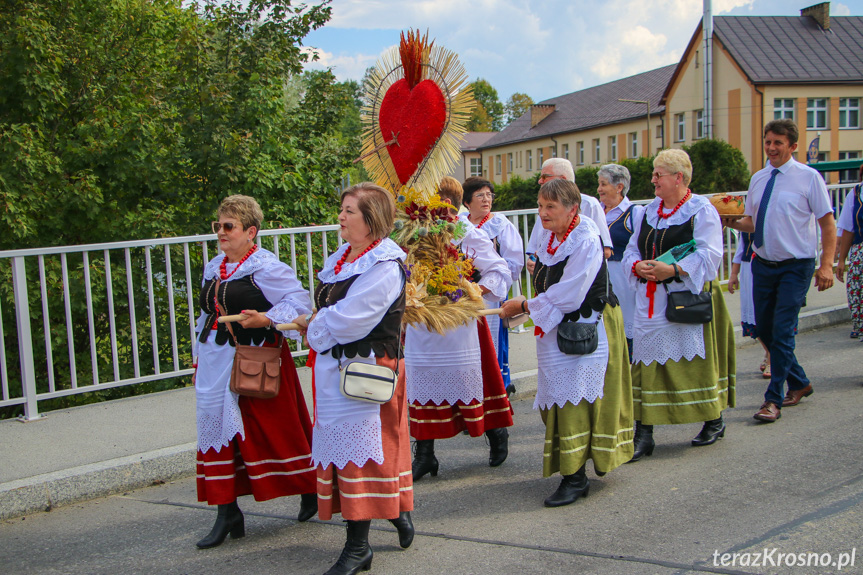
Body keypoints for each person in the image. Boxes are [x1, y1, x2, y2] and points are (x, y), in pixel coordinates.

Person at [295, 183, 413, 575]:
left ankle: (358, 548)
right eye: (342, 209)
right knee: (350, 455)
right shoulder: (343, 258)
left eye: (349, 211)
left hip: (367, 368)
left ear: (371, 219)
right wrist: (317, 322)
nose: (341, 217)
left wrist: (313, 324)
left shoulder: (384, 265)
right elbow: (332, 311)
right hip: (339, 369)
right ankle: (393, 508)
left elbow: (351, 319)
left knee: (361, 458)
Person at [193, 195, 317, 549]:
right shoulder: (215, 266)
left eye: (228, 226)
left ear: (251, 232)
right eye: (218, 225)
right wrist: (197, 356)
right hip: (216, 360)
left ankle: (308, 487)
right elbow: (206, 315)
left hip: (257, 359)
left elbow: (298, 303)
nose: (221, 232)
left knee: (275, 432)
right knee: (217, 434)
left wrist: (266, 318)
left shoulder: (266, 266)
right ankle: (227, 511)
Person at [499, 178, 632, 507]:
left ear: (573, 208)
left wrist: (527, 306)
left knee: (573, 401)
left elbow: (571, 293)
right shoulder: (548, 234)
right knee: (558, 399)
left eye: (550, 207)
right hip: (557, 328)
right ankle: (572, 469)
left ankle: (575, 477)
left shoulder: (586, 236)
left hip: (585, 326)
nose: (542, 213)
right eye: (541, 206)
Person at [622, 149, 736, 460]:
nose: (653, 179)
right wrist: (637, 267)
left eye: (659, 174)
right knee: (644, 365)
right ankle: (644, 433)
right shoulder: (647, 212)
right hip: (650, 301)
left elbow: (709, 254)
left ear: (679, 178)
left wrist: (672, 270)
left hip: (683, 299)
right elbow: (632, 249)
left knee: (693, 365)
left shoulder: (701, 210)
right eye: (654, 174)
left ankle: (713, 419)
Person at [724, 119, 836, 422]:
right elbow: (752, 222)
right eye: (768, 141)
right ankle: (800, 381)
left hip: (795, 266)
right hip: (763, 263)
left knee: (783, 330)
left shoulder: (809, 178)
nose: (771, 148)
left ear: (793, 146)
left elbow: (827, 224)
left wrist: (826, 265)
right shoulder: (759, 178)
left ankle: (772, 399)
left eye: (778, 143)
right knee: (763, 328)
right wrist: (730, 221)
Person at [406, 178, 514, 481]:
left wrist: (473, 289)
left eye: (436, 204)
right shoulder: (411, 232)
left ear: (448, 205)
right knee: (421, 383)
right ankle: (425, 454)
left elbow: (500, 269)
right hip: (424, 321)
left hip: (461, 322)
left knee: (474, 382)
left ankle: (495, 432)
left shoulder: (465, 231)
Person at [460, 176, 525, 394]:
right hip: (462, 295)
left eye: (489, 195)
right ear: (467, 201)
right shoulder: (460, 224)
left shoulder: (500, 224)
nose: (486, 199)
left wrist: (493, 279)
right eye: (480, 195)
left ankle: (496, 388)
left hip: (490, 294)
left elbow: (514, 260)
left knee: (492, 340)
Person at [525, 158, 613, 276]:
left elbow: (605, 251)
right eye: (541, 206)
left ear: (563, 179)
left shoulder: (590, 205)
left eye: (545, 176)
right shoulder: (544, 210)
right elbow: (535, 249)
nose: (540, 181)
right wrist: (533, 262)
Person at [597, 163, 644, 358]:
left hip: (623, 280)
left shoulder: (635, 213)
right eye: (598, 184)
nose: (599, 189)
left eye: (603, 184)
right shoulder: (594, 211)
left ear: (619, 187)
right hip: (599, 278)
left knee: (625, 324)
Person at [727, 231, 772, 378]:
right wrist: (734, 274)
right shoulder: (746, 221)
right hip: (748, 269)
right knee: (752, 315)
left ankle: (772, 357)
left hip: (769, 267)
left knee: (769, 315)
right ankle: (769, 350)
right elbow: (741, 248)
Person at [836, 165, 863, 340]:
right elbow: (847, 229)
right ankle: (859, 324)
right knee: (856, 287)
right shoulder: (855, 194)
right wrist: (841, 260)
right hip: (859, 249)